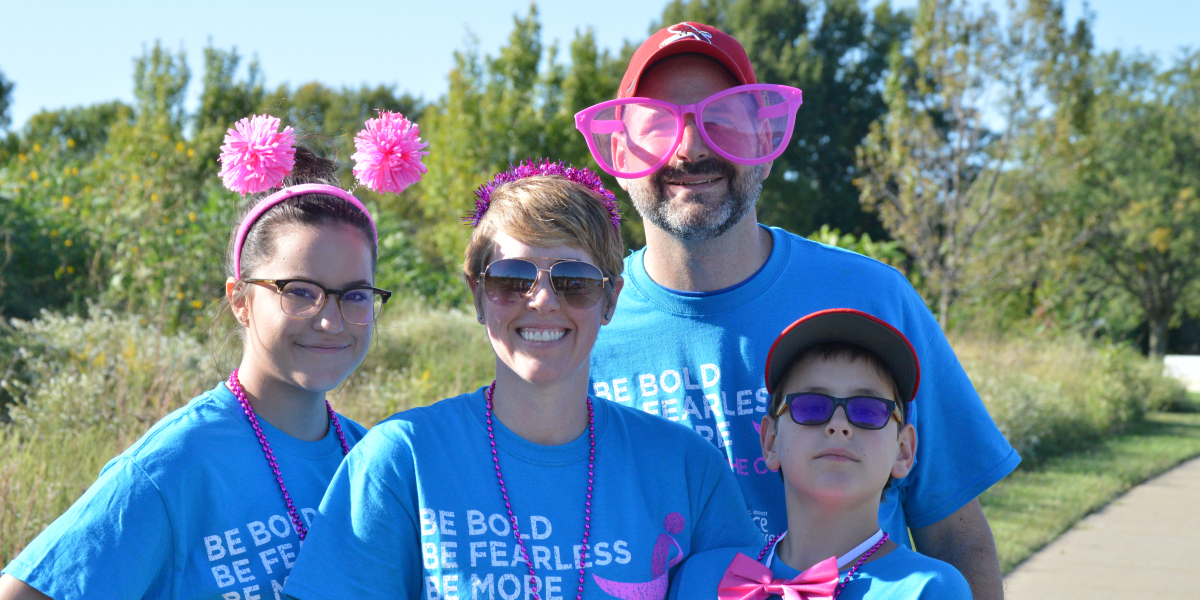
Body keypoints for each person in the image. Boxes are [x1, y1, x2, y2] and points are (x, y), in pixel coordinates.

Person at [575, 22, 1019, 600]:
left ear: (764, 141)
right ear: (618, 150)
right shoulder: (584, 326)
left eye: (723, 120)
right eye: (659, 124)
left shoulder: (872, 298)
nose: (691, 148)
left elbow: (957, 537)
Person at [282, 160, 761, 600]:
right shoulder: (401, 461)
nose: (543, 301)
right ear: (477, 294)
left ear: (610, 300)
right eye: (512, 279)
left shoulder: (686, 467)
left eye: (574, 280)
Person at [0, 111, 424, 600]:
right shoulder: (174, 466)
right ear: (240, 301)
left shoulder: (374, 461)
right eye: (300, 291)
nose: (330, 320)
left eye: (354, 295)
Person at [670, 309, 971, 599]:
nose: (838, 425)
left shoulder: (928, 589)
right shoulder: (701, 577)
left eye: (868, 411)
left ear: (903, 451)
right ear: (771, 441)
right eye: (811, 407)